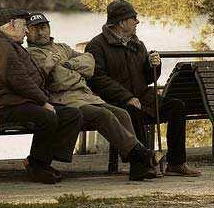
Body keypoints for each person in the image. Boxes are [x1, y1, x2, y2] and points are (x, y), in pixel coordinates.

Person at [25, 12, 163, 181]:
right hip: (63, 100)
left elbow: (90, 62)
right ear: (26, 31)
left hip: (86, 96)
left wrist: (67, 65)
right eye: (35, 29)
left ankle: (138, 167)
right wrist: (73, 71)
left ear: (49, 28)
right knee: (102, 115)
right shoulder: (31, 54)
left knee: (122, 113)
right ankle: (142, 155)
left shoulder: (62, 47)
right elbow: (58, 81)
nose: (41, 33)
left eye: (43, 27)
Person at [85, 0, 201, 177]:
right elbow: (98, 79)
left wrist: (153, 66)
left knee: (177, 106)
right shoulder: (96, 46)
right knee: (133, 110)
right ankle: (142, 165)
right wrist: (126, 97)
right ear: (122, 22)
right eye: (133, 18)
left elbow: (148, 78)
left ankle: (176, 163)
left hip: (143, 96)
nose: (137, 22)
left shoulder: (137, 44)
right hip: (114, 101)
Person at [0, 9, 83, 184]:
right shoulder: (0, 46)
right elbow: (19, 82)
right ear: (12, 24)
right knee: (47, 117)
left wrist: (45, 78)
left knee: (72, 114)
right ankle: (37, 165)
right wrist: (43, 102)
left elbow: (30, 78)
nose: (27, 31)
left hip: (22, 102)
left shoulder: (12, 45)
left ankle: (43, 161)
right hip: (5, 107)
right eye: (24, 25)